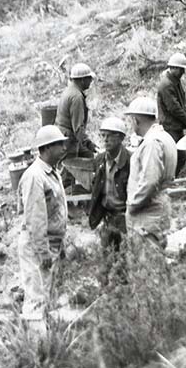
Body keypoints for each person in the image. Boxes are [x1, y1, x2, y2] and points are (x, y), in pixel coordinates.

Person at [17, 124, 69, 322]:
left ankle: (48, 342)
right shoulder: (35, 176)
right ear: (46, 148)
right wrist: (42, 251)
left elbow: (56, 211)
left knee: (49, 297)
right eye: (58, 145)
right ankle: (34, 347)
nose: (63, 148)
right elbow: (35, 218)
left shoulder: (51, 172)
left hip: (52, 243)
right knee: (36, 298)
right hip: (37, 246)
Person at [124, 96, 178, 252]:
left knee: (146, 261)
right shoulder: (164, 137)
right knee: (154, 259)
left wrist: (133, 204)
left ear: (136, 120)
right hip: (158, 205)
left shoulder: (152, 143)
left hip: (148, 210)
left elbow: (150, 181)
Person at [87, 117, 131, 283]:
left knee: (126, 260)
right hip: (107, 217)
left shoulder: (131, 161)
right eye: (103, 135)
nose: (105, 140)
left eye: (110, 136)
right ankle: (106, 295)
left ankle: (125, 293)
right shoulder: (99, 160)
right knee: (106, 260)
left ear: (121, 138)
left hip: (125, 218)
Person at [156, 51, 186, 177]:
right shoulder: (166, 85)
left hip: (175, 126)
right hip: (169, 128)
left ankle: (170, 180)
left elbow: (182, 102)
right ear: (174, 68)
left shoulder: (175, 81)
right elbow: (174, 108)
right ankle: (168, 181)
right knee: (177, 158)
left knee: (179, 158)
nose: (183, 72)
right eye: (181, 69)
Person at [55, 62, 97, 158]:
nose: (91, 81)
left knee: (89, 156)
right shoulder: (76, 97)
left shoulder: (69, 91)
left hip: (63, 137)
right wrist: (88, 143)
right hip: (68, 141)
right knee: (70, 169)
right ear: (82, 80)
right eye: (89, 78)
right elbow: (78, 128)